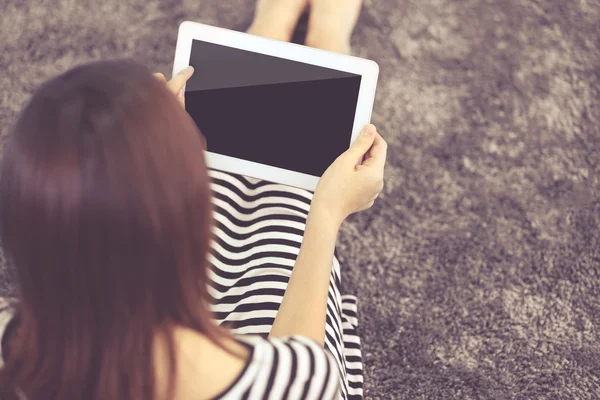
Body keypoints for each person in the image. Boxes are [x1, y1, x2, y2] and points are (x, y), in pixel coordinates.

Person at [0, 0, 386, 398]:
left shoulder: (13, 348)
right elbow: (301, 359)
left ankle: (272, 22)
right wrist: (325, 214)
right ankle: (324, 33)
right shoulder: (297, 380)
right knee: (292, 198)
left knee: (220, 167)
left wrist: (155, 155)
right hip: (251, 353)